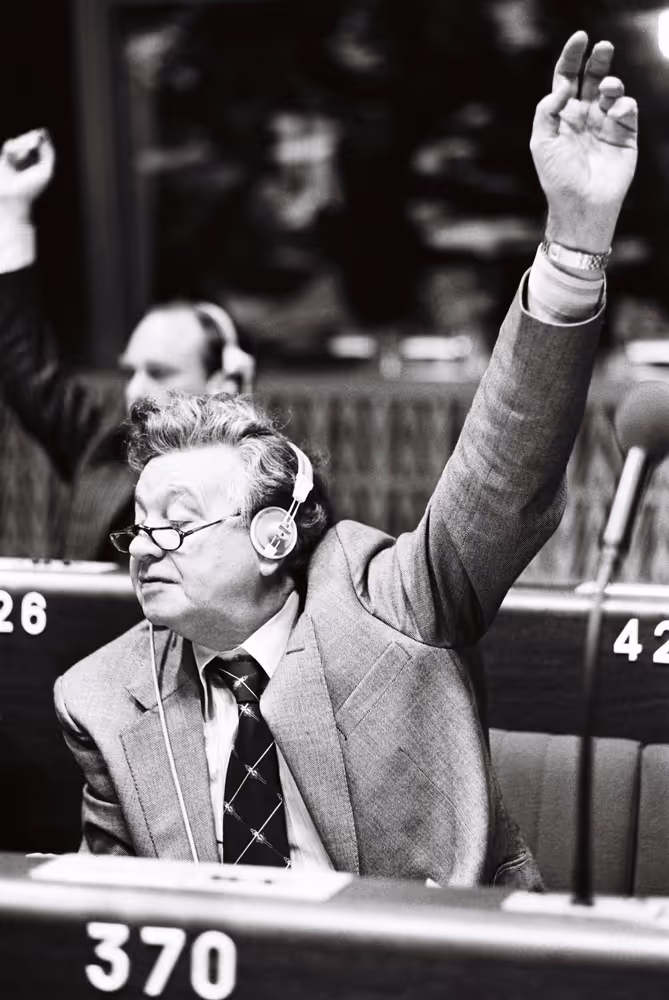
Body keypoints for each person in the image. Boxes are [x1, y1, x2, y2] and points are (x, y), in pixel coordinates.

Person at [53, 32, 637, 885]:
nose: (144, 548)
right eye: (139, 527)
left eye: (177, 524)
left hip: (432, 950)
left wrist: (574, 246)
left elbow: (502, 467)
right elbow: (111, 915)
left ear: (272, 538)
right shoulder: (101, 698)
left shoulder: (389, 604)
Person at [0, 130, 255, 561]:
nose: (135, 389)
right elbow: (26, 368)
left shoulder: (263, 479)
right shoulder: (106, 452)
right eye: (131, 371)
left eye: (159, 372)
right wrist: (11, 208)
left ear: (222, 382)